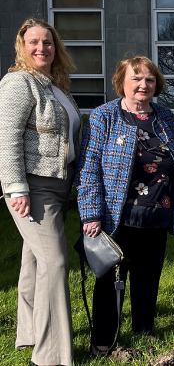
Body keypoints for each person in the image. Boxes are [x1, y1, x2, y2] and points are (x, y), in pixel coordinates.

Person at [76, 56, 174, 356]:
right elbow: (89, 169)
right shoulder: (105, 116)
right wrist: (91, 213)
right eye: (136, 79)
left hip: (157, 211)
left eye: (149, 79)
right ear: (121, 82)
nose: (143, 85)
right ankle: (103, 340)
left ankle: (144, 331)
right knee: (109, 278)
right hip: (117, 215)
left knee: (148, 278)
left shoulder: (164, 116)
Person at [0, 18, 80, 366]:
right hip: (32, 186)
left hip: (58, 186)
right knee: (55, 262)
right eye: (33, 42)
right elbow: (7, 138)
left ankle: (31, 333)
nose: (40, 48)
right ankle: (50, 355)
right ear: (22, 46)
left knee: (34, 262)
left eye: (47, 42)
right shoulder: (19, 82)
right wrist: (15, 187)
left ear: (55, 47)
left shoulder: (55, 86)